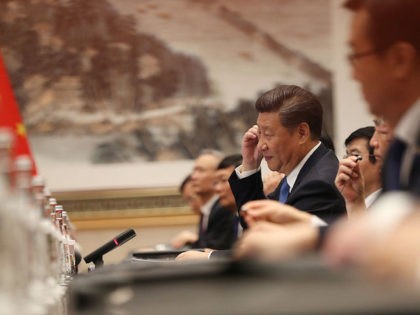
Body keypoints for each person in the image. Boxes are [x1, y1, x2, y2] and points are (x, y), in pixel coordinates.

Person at [229, 85, 346, 225]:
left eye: (268, 134)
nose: (260, 146)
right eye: (259, 133)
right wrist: (250, 164)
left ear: (302, 133)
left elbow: (273, 243)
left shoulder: (319, 184)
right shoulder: (300, 173)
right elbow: (260, 229)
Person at [176, 154, 243, 261]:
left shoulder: (224, 210)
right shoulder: (216, 210)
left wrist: (210, 255)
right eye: (217, 182)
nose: (218, 188)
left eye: (223, 180)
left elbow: (250, 257)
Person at [189, 150, 236, 250]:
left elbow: (214, 249)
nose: (193, 177)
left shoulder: (224, 208)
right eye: (194, 171)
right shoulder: (207, 209)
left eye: (201, 171)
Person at [335, 126, 383, 216]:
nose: (347, 161)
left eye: (356, 155)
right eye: (346, 155)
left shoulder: (389, 207)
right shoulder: (345, 202)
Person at [170, 175, 202, 249]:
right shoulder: (205, 214)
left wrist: (194, 238)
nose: (191, 206)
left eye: (191, 199)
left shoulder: (221, 211)